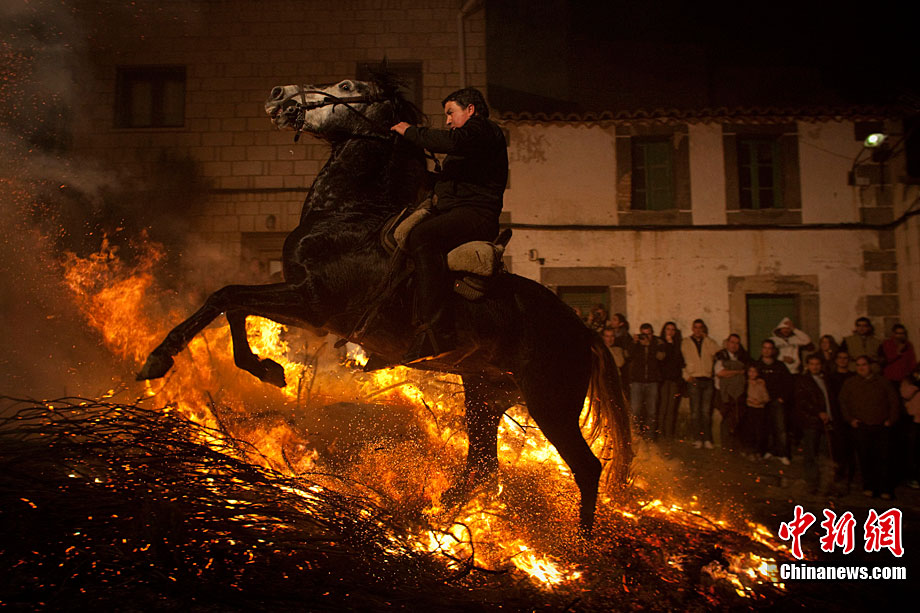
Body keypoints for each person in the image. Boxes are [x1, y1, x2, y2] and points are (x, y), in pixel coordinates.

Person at [391, 87, 508, 363]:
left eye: (450, 113)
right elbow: (448, 184)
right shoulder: (469, 146)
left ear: (470, 110)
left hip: (476, 214)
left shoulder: (482, 130)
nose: (447, 120)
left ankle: (438, 332)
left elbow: (450, 141)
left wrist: (411, 132)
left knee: (423, 236)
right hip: (458, 211)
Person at [839, 355, 900, 499]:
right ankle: (869, 486)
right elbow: (842, 402)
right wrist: (850, 420)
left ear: (870, 366)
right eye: (858, 365)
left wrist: (891, 420)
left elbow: (894, 401)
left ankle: (885, 488)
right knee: (865, 458)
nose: (861, 367)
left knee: (884, 458)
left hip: (881, 426)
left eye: (864, 364)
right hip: (861, 426)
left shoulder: (882, 382)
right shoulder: (850, 383)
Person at [794, 355, 834, 494]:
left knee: (825, 454)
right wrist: (818, 412)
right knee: (811, 453)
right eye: (812, 364)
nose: (815, 366)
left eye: (817, 363)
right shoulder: (804, 381)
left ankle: (826, 484)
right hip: (811, 421)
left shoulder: (826, 379)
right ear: (808, 365)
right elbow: (803, 401)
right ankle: (812, 483)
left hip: (827, 421)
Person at [681, 319, 720, 449]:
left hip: (707, 379)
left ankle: (707, 438)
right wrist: (686, 376)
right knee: (695, 412)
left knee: (706, 411)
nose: (698, 330)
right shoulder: (686, 342)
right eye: (696, 327)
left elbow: (716, 352)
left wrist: (706, 338)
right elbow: (681, 361)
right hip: (694, 380)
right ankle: (697, 438)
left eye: (700, 328)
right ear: (692, 328)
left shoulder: (709, 342)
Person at [754, 339, 794, 465]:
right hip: (761, 402)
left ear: (773, 350)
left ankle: (783, 454)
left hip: (776, 401)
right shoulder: (757, 366)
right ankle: (769, 451)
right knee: (765, 428)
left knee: (780, 428)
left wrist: (783, 397)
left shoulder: (780, 366)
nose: (767, 350)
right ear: (762, 349)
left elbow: (789, 383)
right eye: (765, 348)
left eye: (770, 348)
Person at [826, 350, 857, 493]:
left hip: (851, 416)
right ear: (836, 360)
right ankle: (839, 474)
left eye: (846, 358)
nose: (843, 361)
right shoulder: (830, 378)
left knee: (851, 447)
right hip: (837, 416)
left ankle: (851, 474)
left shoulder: (853, 377)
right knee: (838, 447)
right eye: (840, 358)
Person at [626, 323, 665, 436]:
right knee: (635, 411)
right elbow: (628, 355)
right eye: (644, 334)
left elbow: (661, 357)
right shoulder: (636, 344)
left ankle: (650, 436)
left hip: (652, 382)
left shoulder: (658, 343)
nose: (646, 337)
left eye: (648, 334)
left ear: (652, 334)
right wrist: (634, 343)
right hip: (637, 381)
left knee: (651, 411)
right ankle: (635, 435)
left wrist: (649, 346)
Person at [714, 334, 749, 450]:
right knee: (727, 417)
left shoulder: (741, 356)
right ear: (727, 343)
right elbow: (720, 373)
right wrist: (737, 372)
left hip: (737, 393)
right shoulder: (721, 355)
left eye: (737, 343)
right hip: (724, 392)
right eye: (732, 342)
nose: (734, 345)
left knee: (738, 417)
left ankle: (736, 444)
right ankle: (726, 444)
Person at [656, 321, 685, 440]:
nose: (670, 332)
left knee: (671, 408)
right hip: (663, 379)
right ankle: (660, 432)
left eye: (672, 329)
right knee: (663, 406)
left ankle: (668, 433)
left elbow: (678, 361)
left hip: (674, 379)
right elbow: (661, 359)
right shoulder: (660, 343)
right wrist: (667, 344)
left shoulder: (678, 344)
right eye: (668, 329)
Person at [744, 364, 770, 460]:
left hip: (760, 409)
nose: (752, 374)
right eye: (750, 371)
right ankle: (750, 451)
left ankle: (759, 451)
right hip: (750, 409)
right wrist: (750, 401)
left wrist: (760, 401)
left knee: (760, 430)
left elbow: (766, 397)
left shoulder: (761, 383)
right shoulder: (746, 383)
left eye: (754, 371)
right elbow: (744, 396)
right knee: (750, 430)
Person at [901, 365, 920, 489]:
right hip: (914, 421)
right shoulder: (908, 381)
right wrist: (916, 385)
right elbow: (905, 394)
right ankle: (912, 477)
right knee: (913, 450)